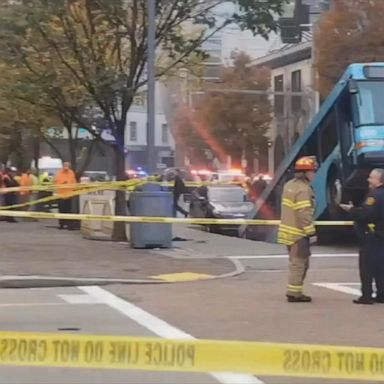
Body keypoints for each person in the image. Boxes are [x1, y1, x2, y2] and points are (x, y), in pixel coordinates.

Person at [340, 168, 384, 305]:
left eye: (371, 178)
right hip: (381, 236)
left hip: (371, 236)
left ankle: (366, 296)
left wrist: (351, 210)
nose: (368, 180)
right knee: (381, 267)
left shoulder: (374, 196)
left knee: (367, 267)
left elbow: (366, 215)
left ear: (379, 181)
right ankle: (382, 295)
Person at [277, 156, 318, 303]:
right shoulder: (303, 190)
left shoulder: (289, 185)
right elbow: (304, 213)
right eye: (313, 171)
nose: (314, 174)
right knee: (300, 264)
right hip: (299, 233)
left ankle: (294, 291)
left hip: (288, 232)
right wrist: (310, 232)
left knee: (295, 262)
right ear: (305, 172)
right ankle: (294, 293)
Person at [55, 162, 77, 230]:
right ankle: (61, 224)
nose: (66, 168)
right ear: (63, 166)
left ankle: (69, 225)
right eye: (65, 166)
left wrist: (74, 189)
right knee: (61, 210)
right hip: (61, 195)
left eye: (67, 166)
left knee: (69, 211)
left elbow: (74, 182)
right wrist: (63, 183)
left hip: (69, 195)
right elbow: (57, 182)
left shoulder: (71, 173)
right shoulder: (59, 173)